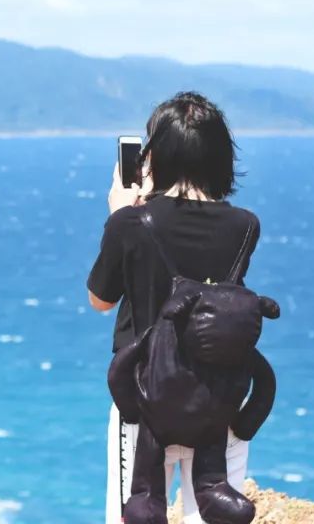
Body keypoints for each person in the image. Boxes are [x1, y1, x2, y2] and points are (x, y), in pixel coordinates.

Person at [86, 91, 261, 524]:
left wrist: (118, 214)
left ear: (154, 156)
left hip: (144, 403)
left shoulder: (130, 222)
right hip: (219, 404)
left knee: (137, 515)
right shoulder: (245, 226)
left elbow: (100, 301)